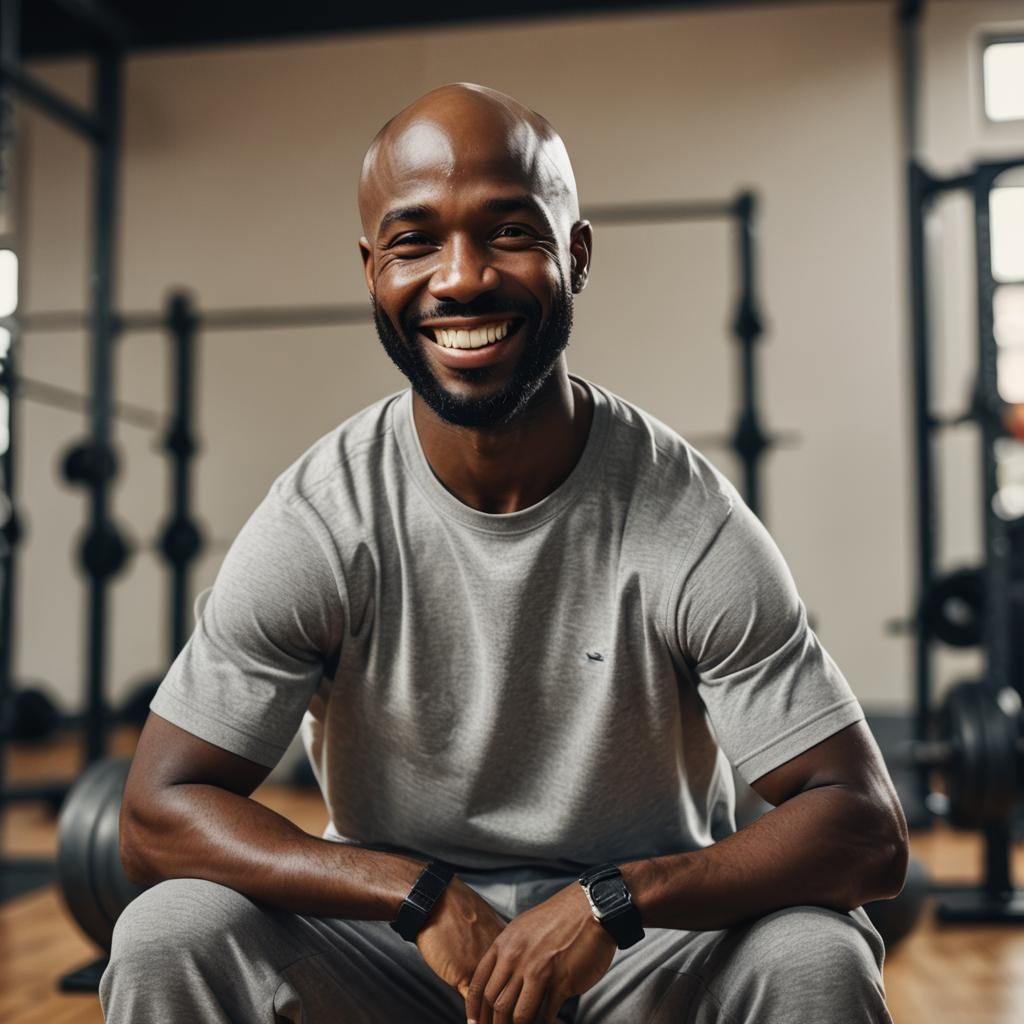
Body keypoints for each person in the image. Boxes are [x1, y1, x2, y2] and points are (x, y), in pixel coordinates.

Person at [99, 82, 908, 1024]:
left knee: (815, 952)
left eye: (508, 232)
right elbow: (156, 813)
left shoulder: (686, 520)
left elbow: (866, 829)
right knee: (169, 932)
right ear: (372, 271)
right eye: (415, 242)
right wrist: (414, 894)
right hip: (396, 954)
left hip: (637, 959)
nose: (460, 277)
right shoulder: (323, 519)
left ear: (577, 253)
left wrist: (616, 900)